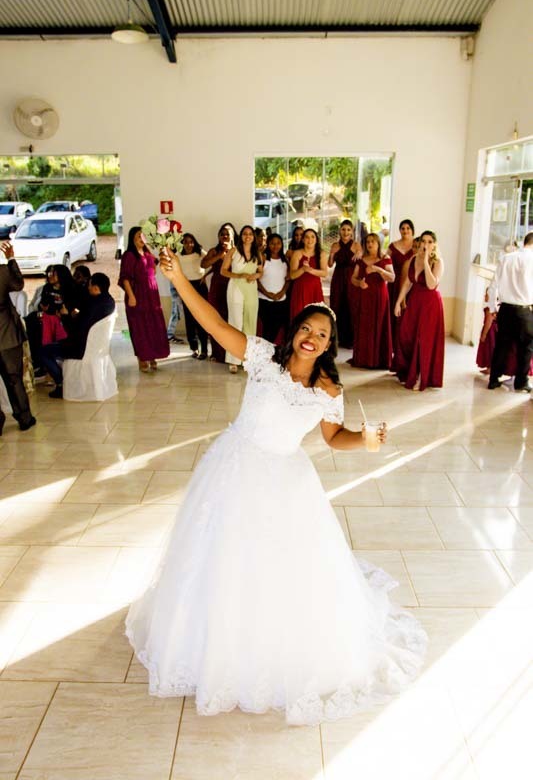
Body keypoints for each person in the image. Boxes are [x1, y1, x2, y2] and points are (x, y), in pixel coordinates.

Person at [125, 245, 426, 726]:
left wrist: (366, 441)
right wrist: (178, 279)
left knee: (280, 564)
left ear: (329, 345)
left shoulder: (329, 390)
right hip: (234, 466)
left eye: (322, 335)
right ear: (295, 330)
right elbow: (214, 325)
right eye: (307, 328)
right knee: (221, 553)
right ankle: (211, 636)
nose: (312, 338)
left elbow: (334, 438)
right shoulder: (264, 357)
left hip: (286, 478)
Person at [41, 273, 116, 398]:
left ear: (96, 288)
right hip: (96, 347)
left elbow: (75, 330)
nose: (88, 288)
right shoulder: (109, 301)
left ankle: (61, 384)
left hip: (81, 348)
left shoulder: (92, 305)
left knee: (44, 351)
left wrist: (65, 316)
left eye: (89, 285)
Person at [394, 230, 445, 391]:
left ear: (434, 245)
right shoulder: (413, 259)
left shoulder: (438, 262)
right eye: (424, 241)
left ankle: (422, 376)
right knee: (406, 335)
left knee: (424, 341)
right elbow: (408, 283)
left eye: (430, 242)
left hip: (431, 304)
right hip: (415, 302)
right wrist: (398, 302)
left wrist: (426, 262)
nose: (426, 244)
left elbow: (431, 284)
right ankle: (409, 371)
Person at [119, 227, 170, 372]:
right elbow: (125, 278)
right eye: (138, 236)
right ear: (132, 239)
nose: (141, 238)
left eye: (143, 236)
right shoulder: (129, 255)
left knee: (153, 326)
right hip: (137, 294)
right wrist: (131, 296)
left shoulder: (148, 254)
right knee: (139, 327)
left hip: (151, 295)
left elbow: (155, 268)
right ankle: (142, 357)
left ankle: (152, 355)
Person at [488, 231, 533, 392]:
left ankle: (494, 379)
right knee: (526, 348)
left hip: (505, 309)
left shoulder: (506, 258)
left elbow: (493, 286)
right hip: (524, 310)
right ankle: (521, 382)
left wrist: (492, 308)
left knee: (501, 346)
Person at [0, 241, 36, 434]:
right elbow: (18, 284)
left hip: (6, 334)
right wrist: (11, 259)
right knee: (14, 378)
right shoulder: (3, 272)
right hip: (7, 335)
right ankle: (24, 418)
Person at [221, 224, 262, 372]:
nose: (248, 236)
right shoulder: (234, 251)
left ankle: (248, 359)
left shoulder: (257, 253)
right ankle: (233, 360)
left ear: (254, 237)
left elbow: (261, 271)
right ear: (241, 236)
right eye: (245, 233)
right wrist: (239, 275)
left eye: (250, 234)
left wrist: (255, 275)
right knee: (235, 323)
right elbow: (223, 271)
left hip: (251, 289)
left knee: (250, 322)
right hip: (236, 288)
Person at [350, 233, 394, 369]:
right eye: (368, 241)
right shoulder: (361, 260)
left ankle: (379, 360)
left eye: (373, 241)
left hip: (380, 296)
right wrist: (359, 283)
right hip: (364, 297)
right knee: (365, 326)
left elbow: (392, 278)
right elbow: (353, 278)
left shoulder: (385, 258)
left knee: (379, 324)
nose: (370, 244)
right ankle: (364, 359)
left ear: (378, 243)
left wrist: (378, 269)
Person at [201, 223, 235, 363]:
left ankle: (230, 353)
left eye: (227, 234)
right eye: (222, 234)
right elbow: (204, 264)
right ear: (219, 237)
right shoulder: (214, 251)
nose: (225, 236)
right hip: (217, 288)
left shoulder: (236, 251)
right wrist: (220, 255)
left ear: (232, 236)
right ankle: (217, 352)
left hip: (232, 287)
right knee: (215, 319)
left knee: (230, 320)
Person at [328, 219, 362, 348]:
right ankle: (337, 338)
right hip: (338, 278)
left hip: (351, 278)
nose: (345, 232)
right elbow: (330, 264)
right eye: (343, 229)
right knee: (337, 305)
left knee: (351, 306)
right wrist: (332, 254)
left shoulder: (357, 245)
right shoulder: (335, 245)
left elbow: (361, 262)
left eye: (348, 230)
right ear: (340, 231)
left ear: (352, 231)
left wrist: (360, 253)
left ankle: (350, 340)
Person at [387, 219, 415, 355]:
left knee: (408, 315)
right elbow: (384, 259)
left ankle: (407, 346)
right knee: (393, 314)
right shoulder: (393, 246)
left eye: (408, 228)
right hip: (394, 284)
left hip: (411, 284)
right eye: (402, 228)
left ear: (412, 230)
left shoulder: (417, 245)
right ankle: (392, 345)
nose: (405, 231)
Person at [179, 233, 209, 359]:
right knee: (189, 320)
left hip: (200, 286)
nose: (189, 244)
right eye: (186, 242)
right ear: (182, 243)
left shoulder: (200, 253)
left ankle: (204, 350)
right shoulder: (178, 255)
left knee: (202, 319)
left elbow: (211, 261)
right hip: (186, 287)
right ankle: (194, 348)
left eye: (191, 241)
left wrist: (205, 275)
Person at [257, 233, 290, 344]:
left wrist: (282, 292)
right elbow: (256, 280)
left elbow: (288, 279)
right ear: (268, 244)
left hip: (281, 300)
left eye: (278, 243)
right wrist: (267, 294)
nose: (275, 246)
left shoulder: (285, 260)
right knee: (266, 330)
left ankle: (273, 351)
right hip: (264, 300)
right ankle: (264, 352)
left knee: (277, 330)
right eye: (272, 243)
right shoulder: (263, 258)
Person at [289, 228, 328, 318]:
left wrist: (310, 270)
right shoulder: (297, 253)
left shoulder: (321, 254)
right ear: (303, 240)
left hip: (315, 289)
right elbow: (292, 275)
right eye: (307, 237)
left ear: (316, 239)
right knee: (299, 317)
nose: (310, 239)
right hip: (300, 290)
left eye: (312, 237)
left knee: (315, 317)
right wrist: (303, 269)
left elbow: (324, 273)